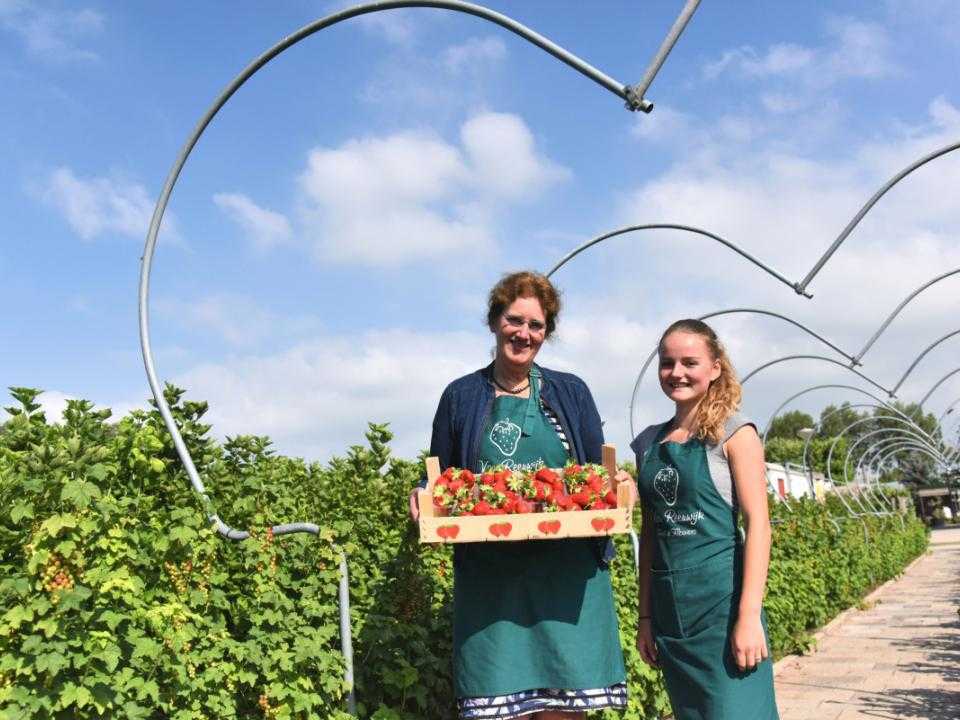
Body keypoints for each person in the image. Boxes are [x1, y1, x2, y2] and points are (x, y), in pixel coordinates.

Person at [409, 271, 631, 720]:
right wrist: (423, 495)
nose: (524, 333)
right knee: (498, 705)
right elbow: (443, 478)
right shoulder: (460, 397)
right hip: (493, 584)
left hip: (567, 580)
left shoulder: (571, 392)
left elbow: (594, 475)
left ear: (547, 333)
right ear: (494, 321)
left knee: (564, 709)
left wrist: (619, 485)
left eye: (536, 325)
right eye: (515, 320)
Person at [631, 319, 779, 720]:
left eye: (689, 362)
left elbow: (759, 525)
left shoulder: (734, 434)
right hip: (671, 617)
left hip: (722, 610)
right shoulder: (648, 443)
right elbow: (649, 536)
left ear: (715, 368)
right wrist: (646, 617)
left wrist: (749, 617)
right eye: (667, 363)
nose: (676, 372)